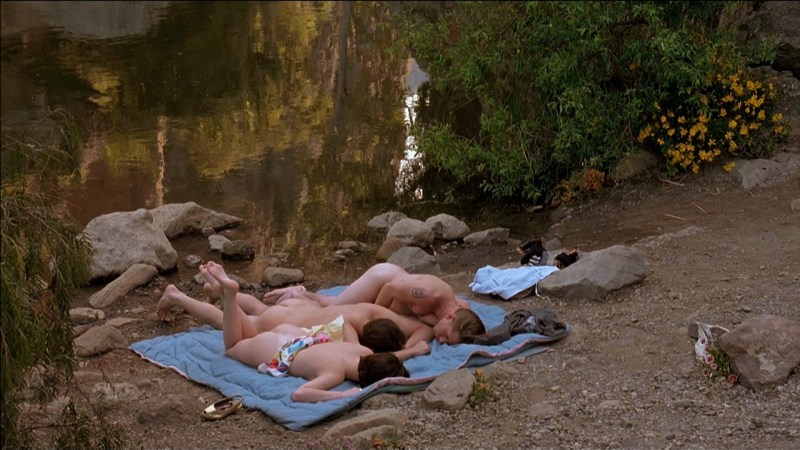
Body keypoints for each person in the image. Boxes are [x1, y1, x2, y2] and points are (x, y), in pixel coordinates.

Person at [207, 261, 418, 403]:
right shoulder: (335, 373)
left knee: (248, 334)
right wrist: (342, 395)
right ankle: (229, 296)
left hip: (298, 336)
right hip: (279, 349)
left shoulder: (361, 350)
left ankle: (229, 296)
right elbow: (300, 394)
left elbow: (346, 325)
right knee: (233, 347)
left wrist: (411, 351)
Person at [157, 263, 435, 352]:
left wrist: (411, 343)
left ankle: (220, 292)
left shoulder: (374, 312)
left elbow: (424, 330)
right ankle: (179, 296)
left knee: (258, 309)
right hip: (285, 321)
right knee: (227, 324)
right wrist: (407, 351)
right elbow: (363, 360)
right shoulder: (351, 337)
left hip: (296, 308)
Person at [262, 263, 487, 344]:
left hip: (399, 295)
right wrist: (377, 317)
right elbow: (389, 288)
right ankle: (296, 294)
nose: (442, 341)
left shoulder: (463, 312)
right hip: (382, 281)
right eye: (446, 336)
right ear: (449, 317)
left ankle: (304, 293)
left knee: (332, 302)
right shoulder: (427, 294)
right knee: (332, 312)